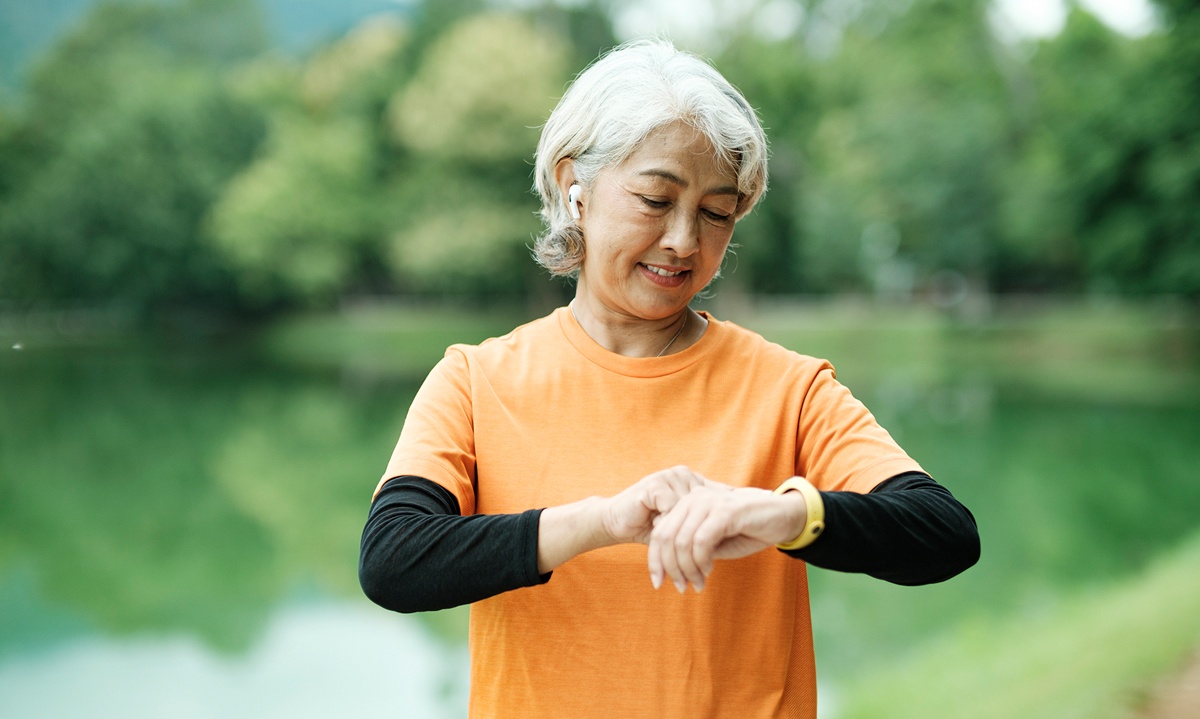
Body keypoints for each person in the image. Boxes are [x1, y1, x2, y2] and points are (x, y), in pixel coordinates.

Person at [359, 39, 979, 719]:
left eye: (716, 212)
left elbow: (942, 530)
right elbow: (394, 557)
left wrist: (784, 513)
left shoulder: (788, 388)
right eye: (656, 199)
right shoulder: (476, 381)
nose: (685, 239)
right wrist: (603, 520)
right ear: (576, 189)